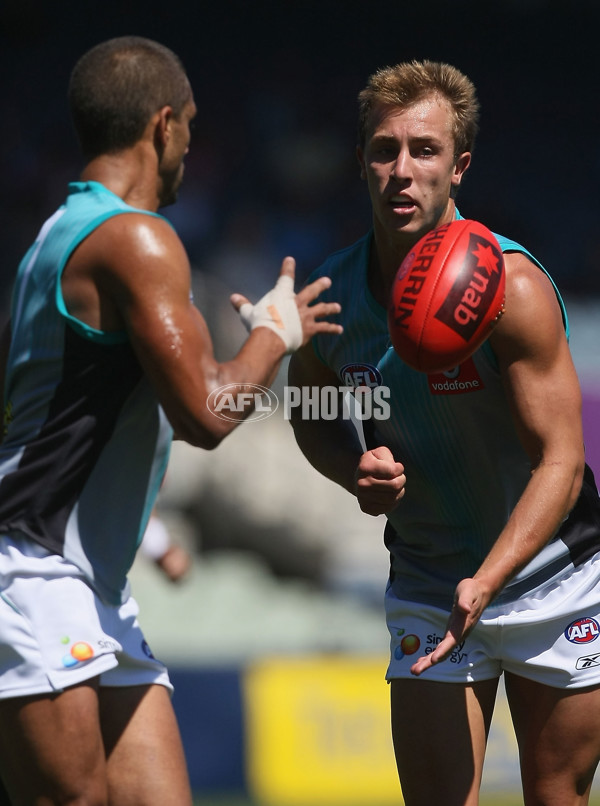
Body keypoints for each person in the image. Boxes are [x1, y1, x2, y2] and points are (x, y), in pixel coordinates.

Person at [0, 36, 342, 806]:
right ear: (163, 126)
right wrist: (276, 334)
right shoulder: (137, 239)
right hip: (32, 575)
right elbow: (208, 415)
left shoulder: (50, 242)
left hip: (92, 585)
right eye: (189, 124)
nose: (192, 142)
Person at [288, 60, 600, 806]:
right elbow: (311, 414)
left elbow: (562, 458)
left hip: (551, 577)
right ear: (361, 161)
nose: (402, 171)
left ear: (458, 167)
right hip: (430, 577)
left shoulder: (513, 288)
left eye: (423, 150)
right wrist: (352, 469)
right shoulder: (332, 300)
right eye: (384, 149)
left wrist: (489, 581)